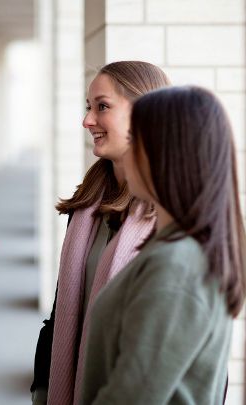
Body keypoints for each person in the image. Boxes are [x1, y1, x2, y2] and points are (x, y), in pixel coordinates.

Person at [80, 85, 246, 404]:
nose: (126, 155)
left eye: (135, 142)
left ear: (166, 154)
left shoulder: (178, 266)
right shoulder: (175, 248)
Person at [31, 61, 171, 405]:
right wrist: (42, 391)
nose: (87, 120)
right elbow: (60, 313)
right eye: (88, 107)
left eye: (102, 107)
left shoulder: (173, 216)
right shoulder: (86, 207)